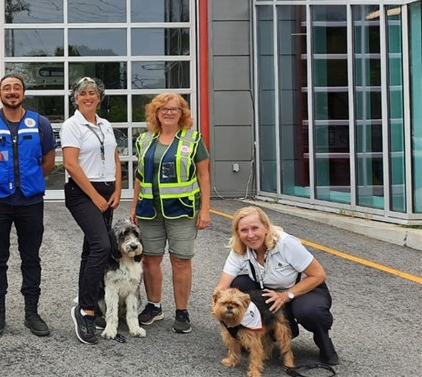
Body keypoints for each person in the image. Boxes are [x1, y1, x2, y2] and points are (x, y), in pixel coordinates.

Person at [0, 74, 55, 337]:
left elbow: (49, 161)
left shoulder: (40, 123)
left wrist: (31, 180)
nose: (12, 92)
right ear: (0, 94)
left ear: (23, 93)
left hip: (30, 202)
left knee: (31, 258)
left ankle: (32, 313)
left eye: (16, 87)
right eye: (7, 88)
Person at [215, 206, 339, 365]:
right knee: (238, 284)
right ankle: (255, 336)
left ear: (266, 227)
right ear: (237, 233)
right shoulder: (239, 248)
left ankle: (323, 341)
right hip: (270, 294)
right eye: (244, 230)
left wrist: (286, 295)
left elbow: (319, 275)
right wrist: (220, 309)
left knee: (310, 312)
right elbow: (223, 286)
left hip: (303, 290)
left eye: (255, 228)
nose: (250, 235)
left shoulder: (286, 243)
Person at [130, 92, 210, 334]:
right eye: (163, 108)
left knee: (181, 260)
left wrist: (205, 209)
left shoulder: (193, 139)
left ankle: (182, 311)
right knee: (151, 259)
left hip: (182, 209)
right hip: (149, 211)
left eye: (174, 109)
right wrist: (133, 206)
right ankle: (154, 306)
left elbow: (203, 175)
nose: (168, 112)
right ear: (155, 113)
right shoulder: (144, 140)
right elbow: (139, 176)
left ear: (181, 113)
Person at [61, 76, 121, 345]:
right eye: (83, 93)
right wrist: (95, 195)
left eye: (93, 93)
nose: (88, 97)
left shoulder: (105, 124)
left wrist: (118, 188)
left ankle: (90, 303)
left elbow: (115, 157)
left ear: (100, 97)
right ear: (76, 98)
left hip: (107, 191)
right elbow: (71, 165)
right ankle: (85, 309)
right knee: (102, 246)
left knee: (90, 251)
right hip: (82, 192)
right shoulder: (72, 125)